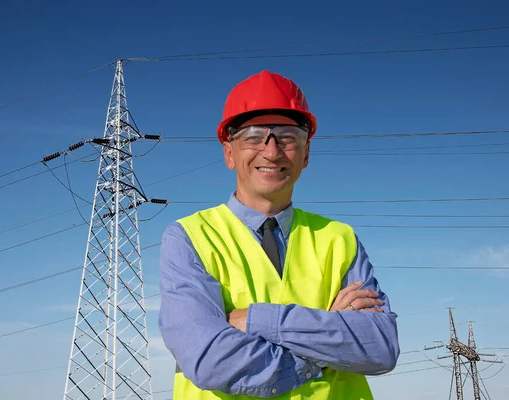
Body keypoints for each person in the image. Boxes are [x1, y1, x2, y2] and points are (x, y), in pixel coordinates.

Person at [158, 70, 399, 399]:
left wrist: (259, 320)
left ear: (306, 153)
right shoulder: (189, 237)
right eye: (254, 136)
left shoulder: (339, 238)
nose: (271, 152)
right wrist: (327, 344)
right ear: (229, 152)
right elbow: (210, 360)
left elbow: (380, 347)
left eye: (287, 136)